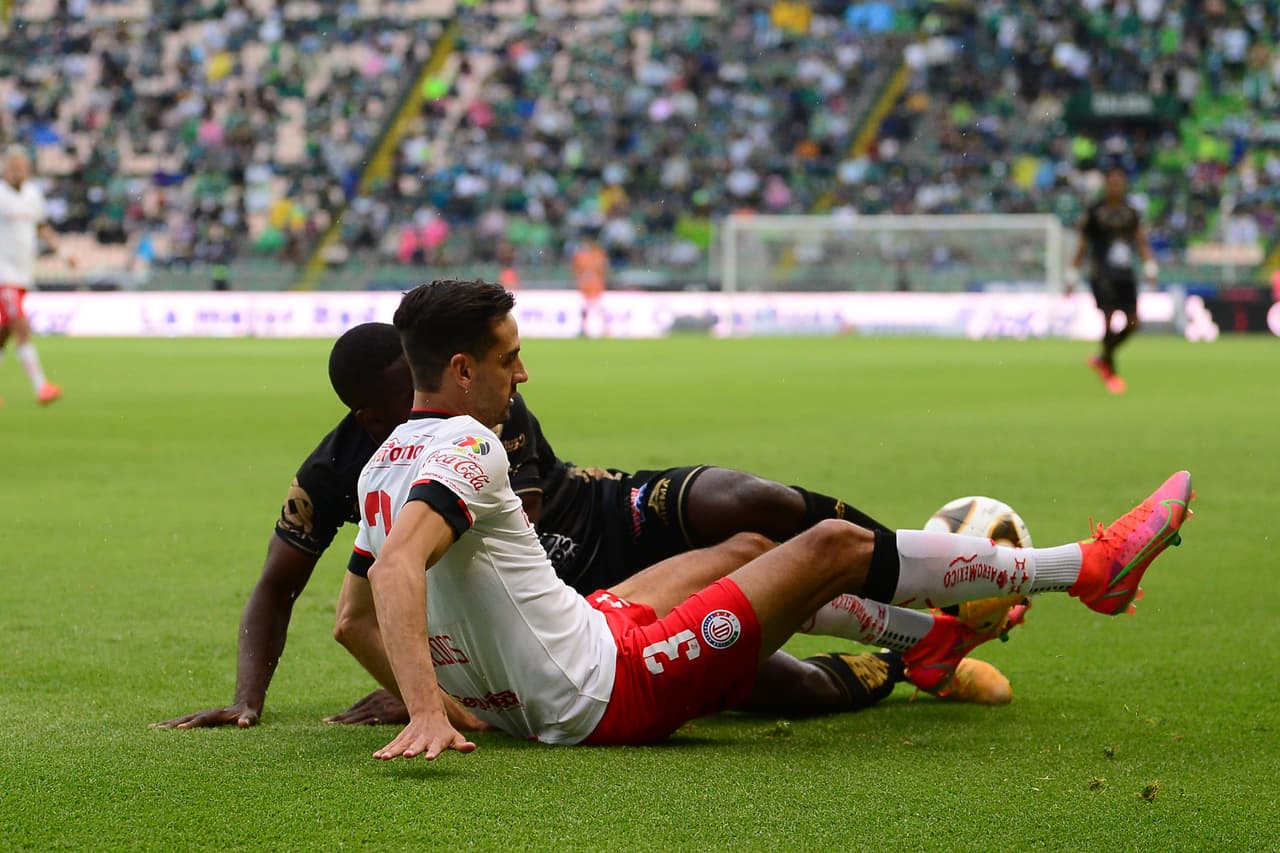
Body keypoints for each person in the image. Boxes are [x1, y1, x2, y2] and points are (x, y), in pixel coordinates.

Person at [355, 279, 1191, 757]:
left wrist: (455, 693)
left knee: (750, 546)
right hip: (608, 690)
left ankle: (931, 644)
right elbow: (396, 572)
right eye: (508, 360)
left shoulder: (383, 461)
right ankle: (1087, 569)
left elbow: (350, 613)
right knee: (829, 543)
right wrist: (428, 708)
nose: (523, 374)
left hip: (575, 645)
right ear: (462, 369)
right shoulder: (472, 442)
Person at [154, 322, 1015, 731]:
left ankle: (921, 573)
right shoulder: (344, 467)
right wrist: (247, 701)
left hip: (605, 526)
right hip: (570, 612)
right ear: (364, 413)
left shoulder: (481, 417)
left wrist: (437, 681)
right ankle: (910, 659)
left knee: (749, 505)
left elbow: (504, 550)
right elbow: (283, 584)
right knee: (769, 683)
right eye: (394, 406)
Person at [1066, 167, 1158, 394]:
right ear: (1107, 185)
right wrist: (1072, 273)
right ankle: (1112, 372)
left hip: (1125, 273)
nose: (1116, 187)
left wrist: (1149, 265)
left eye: (1120, 183)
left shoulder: (1131, 212)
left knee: (1134, 322)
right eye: (1112, 183)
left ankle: (1102, 358)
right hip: (1102, 273)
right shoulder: (1095, 212)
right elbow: (1083, 245)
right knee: (1108, 320)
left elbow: (1140, 240)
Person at [0, 146, 63, 407]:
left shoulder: (33, 194)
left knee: (4, 332)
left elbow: (41, 226)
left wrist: (64, 251)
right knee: (21, 324)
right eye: (15, 167)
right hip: (3, 273)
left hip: (23, 272)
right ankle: (41, 386)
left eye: (23, 167)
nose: (19, 171)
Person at [571, 233, 608, 338]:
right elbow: (575, 269)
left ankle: (604, 328)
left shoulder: (598, 254)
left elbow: (603, 268)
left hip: (596, 286)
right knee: (585, 308)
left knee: (598, 308)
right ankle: (584, 328)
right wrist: (580, 279)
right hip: (586, 287)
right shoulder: (581, 255)